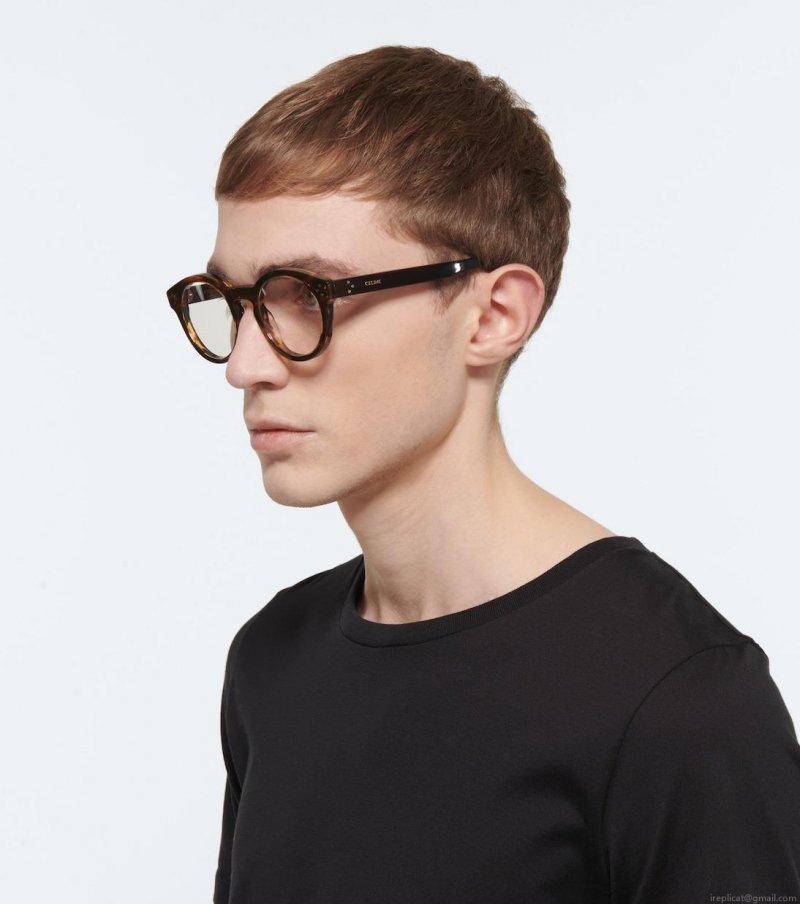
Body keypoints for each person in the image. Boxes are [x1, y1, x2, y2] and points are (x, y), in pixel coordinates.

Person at [166, 44, 800, 904]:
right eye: (235, 302)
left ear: (494, 315)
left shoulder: (679, 700)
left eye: (307, 295)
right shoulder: (272, 662)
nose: (246, 364)